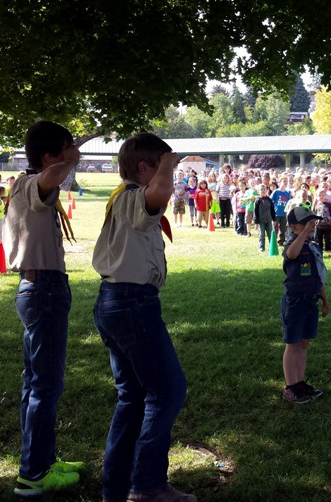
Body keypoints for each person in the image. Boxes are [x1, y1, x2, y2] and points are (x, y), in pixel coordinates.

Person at [92, 133, 194, 502]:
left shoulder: (125, 200)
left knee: (132, 398)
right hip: (132, 302)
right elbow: (160, 193)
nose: (170, 176)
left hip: (116, 301)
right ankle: (148, 485)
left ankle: (117, 488)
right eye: (163, 169)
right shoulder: (136, 197)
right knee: (168, 390)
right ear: (144, 169)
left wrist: (164, 163)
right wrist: (169, 158)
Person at [4, 121, 84, 496]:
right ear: (51, 156)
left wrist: (67, 153)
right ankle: (33, 475)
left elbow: (51, 175)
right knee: (46, 387)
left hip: (35, 289)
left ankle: (42, 461)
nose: (75, 156)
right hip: (44, 291)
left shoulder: (23, 182)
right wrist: (68, 157)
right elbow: (53, 175)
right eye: (67, 149)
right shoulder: (36, 184)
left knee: (33, 384)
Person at [280, 206, 330, 404]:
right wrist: (302, 235)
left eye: (313, 223)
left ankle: (300, 382)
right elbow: (291, 255)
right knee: (292, 344)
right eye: (307, 223)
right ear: (293, 227)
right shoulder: (292, 243)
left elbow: (318, 276)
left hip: (311, 300)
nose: (312, 226)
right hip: (295, 301)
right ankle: (290, 386)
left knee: (303, 343)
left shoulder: (313, 246)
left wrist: (324, 299)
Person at [254, 183, 276, 252]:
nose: (263, 191)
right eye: (261, 190)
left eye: (264, 189)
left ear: (266, 190)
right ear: (258, 191)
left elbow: (272, 210)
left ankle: (271, 247)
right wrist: (256, 222)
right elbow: (256, 212)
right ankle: (261, 247)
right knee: (262, 234)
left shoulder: (269, 200)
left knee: (270, 234)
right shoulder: (258, 200)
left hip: (269, 220)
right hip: (261, 221)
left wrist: (274, 219)